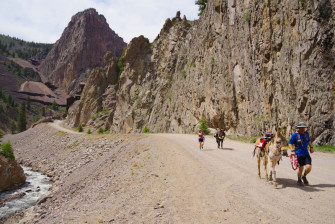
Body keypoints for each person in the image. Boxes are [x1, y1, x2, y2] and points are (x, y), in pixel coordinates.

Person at [289, 122, 314, 186]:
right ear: (299, 128)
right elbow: (290, 143)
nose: (303, 129)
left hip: (306, 153)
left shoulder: (306, 134)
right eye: (301, 128)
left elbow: (309, 141)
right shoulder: (295, 135)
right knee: (301, 168)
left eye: (304, 128)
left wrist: (311, 147)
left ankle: (304, 176)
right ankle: (299, 179)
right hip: (298, 154)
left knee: (309, 167)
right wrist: (292, 150)